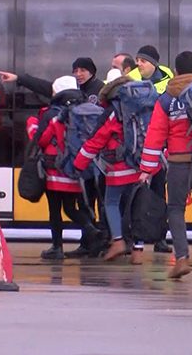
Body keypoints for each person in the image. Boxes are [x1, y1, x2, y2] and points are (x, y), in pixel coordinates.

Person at [139, 51, 192, 281]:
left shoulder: (167, 98)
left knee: (175, 209)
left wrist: (146, 169)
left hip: (178, 163)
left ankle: (181, 259)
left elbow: (155, 135)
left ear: (175, 72)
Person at [73, 76, 146, 264]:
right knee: (138, 208)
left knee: (111, 202)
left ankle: (118, 241)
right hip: (142, 165)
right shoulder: (143, 107)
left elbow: (96, 141)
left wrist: (78, 164)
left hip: (119, 167)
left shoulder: (113, 112)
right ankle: (138, 250)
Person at [32, 76, 105, 260]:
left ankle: (57, 247)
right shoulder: (83, 113)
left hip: (55, 169)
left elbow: (42, 140)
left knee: (55, 210)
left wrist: (32, 127)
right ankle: (92, 230)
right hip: (75, 169)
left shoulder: (54, 116)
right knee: (71, 208)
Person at [134, 45, 174, 253]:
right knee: (135, 195)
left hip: (159, 151)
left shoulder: (168, 84)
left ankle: (160, 238)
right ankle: (135, 239)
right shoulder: (132, 80)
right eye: (137, 60)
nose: (138, 64)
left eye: (143, 61)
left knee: (159, 195)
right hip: (136, 149)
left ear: (153, 63)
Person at [0, 57, 105, 104]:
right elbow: (41, 85)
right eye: (75, 71)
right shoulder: (69, 86)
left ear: (91, 72)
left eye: (83, 70)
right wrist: (18, 78)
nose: (78, 74)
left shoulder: (101, 89)